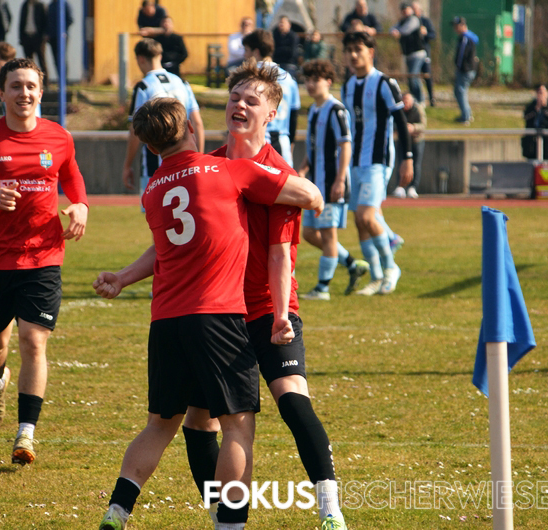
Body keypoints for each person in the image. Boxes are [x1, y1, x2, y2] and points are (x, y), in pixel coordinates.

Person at [93, 96, 323, 530]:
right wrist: (314, 195)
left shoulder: (152, 190)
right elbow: (307, 195)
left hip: (165, 320)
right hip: (217, 317)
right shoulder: (227, 170)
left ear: (150, 147)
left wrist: (122, 278)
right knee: (237, 428)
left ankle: (117, 510)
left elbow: (164, 250)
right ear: (189, 128)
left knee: (159, 426)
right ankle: (230, 526)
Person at [181, 60, 348, 530]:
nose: (239, 105)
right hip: (218, 313)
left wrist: (279, 316)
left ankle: (330, 508)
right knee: (199, 421)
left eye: (251, 101)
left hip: (269, 309)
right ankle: (222, 512)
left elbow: (280, 256)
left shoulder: (279, 175)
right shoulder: (209, 165)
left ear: (271, 114)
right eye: (234, 97)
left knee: (292, 400)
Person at [0, 58, 88, 465]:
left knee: (34, 341)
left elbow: (71, 177)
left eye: (31, 86)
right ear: (1, 93)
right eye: (16, 86)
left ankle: (26, 434)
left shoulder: (59, 137)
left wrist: (81, 205)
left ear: (41, 91)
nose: (25, 93)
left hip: (43, 255)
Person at [341, 31, 412, 296]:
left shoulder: (384, 83)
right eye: (349, 50)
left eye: (358, 49)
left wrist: (408, 158)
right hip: (355, 162)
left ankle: (391, 267)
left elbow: (401, 121)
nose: (353, 54)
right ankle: (376, 275)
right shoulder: (348, 86)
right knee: (360, 222)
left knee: (366, 216)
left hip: (378, 160)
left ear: (370, 52)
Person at [299, 59, 369, 299]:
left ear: (328, 82)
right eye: (308, 80)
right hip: (316, 184)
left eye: (316, 80)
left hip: (331, 184)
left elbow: (346, 145)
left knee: (328, 236)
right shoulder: (313, 109)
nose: (311, 84)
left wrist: (339, 180)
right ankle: (351, 264)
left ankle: (323, 288)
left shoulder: (336, 109)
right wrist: (303, 169)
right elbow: (313, 147)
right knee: (309, 233)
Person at [122, 38, 204, 201]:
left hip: (156, 160)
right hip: (185, 156)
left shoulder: (144, 86)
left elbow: (135, 131)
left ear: (140, 59)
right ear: (160, 56)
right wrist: (199, 159)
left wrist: (127, 165)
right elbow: (198, 123)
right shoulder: (181, 83)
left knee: (156, 208)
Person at [242, 29, 300, 167]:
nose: (244, 55)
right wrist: (290, 144)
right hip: (282, 143)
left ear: (256, 52)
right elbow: (294, 117)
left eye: (246, 50)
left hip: (256, 142)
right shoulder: (288, 78)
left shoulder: (248, 77)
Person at [390, 2, 425, 103]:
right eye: (403, 10)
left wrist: (398, 32)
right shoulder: (402, 21)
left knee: (413, 77)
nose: (405, 12)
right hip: (409, 54)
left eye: (406, 10)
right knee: (412, 78)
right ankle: (414, 100)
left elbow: (406, 30)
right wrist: (393, 31)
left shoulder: (414, 19)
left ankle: (419, 100)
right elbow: (392, 28)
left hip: (417, 53)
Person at [392, 93, 425, 199]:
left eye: (407, 100)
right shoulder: (399, 109)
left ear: (412, 101)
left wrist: (413, 127)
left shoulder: (418, 109)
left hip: (416, 141)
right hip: (402, 141)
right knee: (400, 163)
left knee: (416, 164)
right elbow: (393, 123)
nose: (405, 102)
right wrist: (400, 128)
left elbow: (423, 125)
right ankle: (400, 186)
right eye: (404, 100)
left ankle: (413, 187)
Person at [451, 16, 477, 125]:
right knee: (460, 92)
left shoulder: (465, 38)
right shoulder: (465, 37)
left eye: (456, 26)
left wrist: (458, 66)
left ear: (462, 25)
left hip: (465, 70)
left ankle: (465, 117)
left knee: (460, 92)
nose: (455, 28)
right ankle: (467, 114)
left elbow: (461, 56)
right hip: (467, 69)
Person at [521, 84, 548, 161]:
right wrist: (536, 109)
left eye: (543, 92)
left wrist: (545, 107)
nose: (541, 95)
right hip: (532, 146)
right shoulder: (532, 105)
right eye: (539, 92)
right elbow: (525, 117)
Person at [412, 1, 435, 106]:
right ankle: (416, 98)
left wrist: (426, 33)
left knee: (427, 75)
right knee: (414, 76)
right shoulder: (410, 21)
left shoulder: (425, 21)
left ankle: (431, 98)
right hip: (414, 53)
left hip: (425, 52)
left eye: (415, 9)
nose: (414, 11)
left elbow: (433, 35)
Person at [18, 0, 48, 78]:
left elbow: (45, 21)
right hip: (27, 36)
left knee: (42, 61)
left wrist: (43, 37)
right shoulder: (25, 5)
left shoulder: (40, 5)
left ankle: (45, 81)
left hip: (38, 37)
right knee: (28, 62)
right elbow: (21, 22)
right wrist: (21, 37)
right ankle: (29, 79)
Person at [47, 0, 73, 79]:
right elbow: (48, 21)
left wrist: (63, 30)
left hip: (62, 37)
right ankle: (59, 77)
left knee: (62, 58)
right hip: (52, 36)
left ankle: (65, 79)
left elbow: (70, 19)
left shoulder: (64, 4)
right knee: (55, 59)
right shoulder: (51, 5)